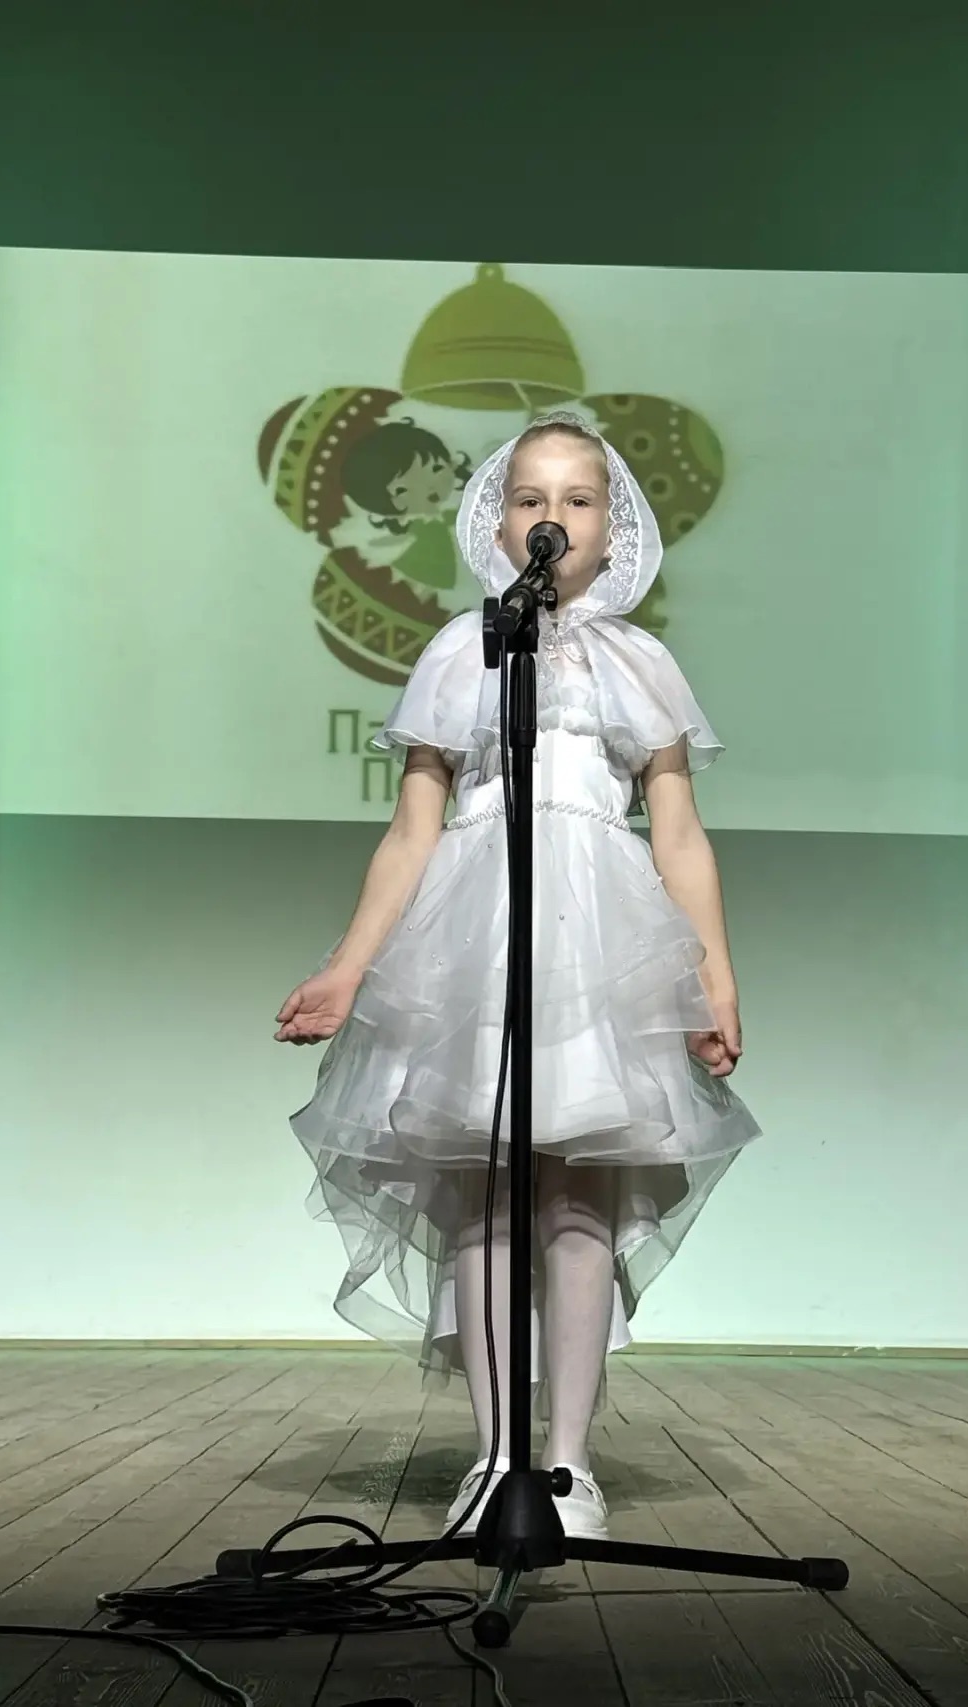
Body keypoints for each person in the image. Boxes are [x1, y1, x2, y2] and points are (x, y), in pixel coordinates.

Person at [276, 411, 759, 1540]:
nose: (553, 517)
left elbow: (679, 834)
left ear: (613, 528)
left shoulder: (641, 662)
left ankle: (567, 1465)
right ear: (497, 525)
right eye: (529, 498)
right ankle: (496, 1458)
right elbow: (412, 828)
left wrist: (715, 979)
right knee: (486, 1193)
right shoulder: (463, 648)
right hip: (476, 936)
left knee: (579, 1192)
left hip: (600, 943)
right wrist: (348, 966)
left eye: (578, 499)